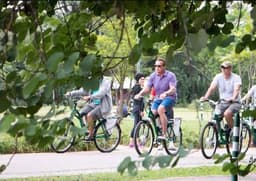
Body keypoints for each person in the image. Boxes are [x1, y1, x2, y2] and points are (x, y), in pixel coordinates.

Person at [135, 57, 177, 140]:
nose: (157, 68)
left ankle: (164, 134)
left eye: (159, 66)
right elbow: (147, 88)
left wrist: (166, 93)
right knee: (152, 113)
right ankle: (158, 129)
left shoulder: (170, 75)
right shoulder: (153, 76)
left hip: (170, 97)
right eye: (156, 66)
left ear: (164, 67)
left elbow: (173, 89)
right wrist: (139, 94)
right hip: (158, 98)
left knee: (160, 109)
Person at [67, 75, 112, 141]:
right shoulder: (91, 80)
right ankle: (89, 130)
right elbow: (83, 91)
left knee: (89, 115)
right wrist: (71, 93)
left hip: (103, 105)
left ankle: (91, 135)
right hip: (93, 104)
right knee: (82, 113)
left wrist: (90, 97)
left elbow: (101, 93)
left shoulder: (106, 81)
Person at [200, 61, 242, 129]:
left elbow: (236, 89)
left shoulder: (236, 77)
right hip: (222, 102)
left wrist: (233, 98)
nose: (224, 69)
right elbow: (212, 87)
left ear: (230, 68)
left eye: (226, 67)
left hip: (234, 102)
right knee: (216, 117)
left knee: (227, 114)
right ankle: (219, 135)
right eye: (222, 67)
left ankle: (234, 133)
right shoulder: (218, 77)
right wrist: (205, 97)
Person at [129, 73, 145, 147]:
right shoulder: (138, 87)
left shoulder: (138, 87)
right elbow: (139, 100)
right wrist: (141, 110)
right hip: (137, 108)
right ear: (138, 80)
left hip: (136, 108)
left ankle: (132, 142)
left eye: (144, 79)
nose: (143, 80)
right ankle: (135, 142)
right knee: (137, 125)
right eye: (142, 79)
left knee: (136, 125)